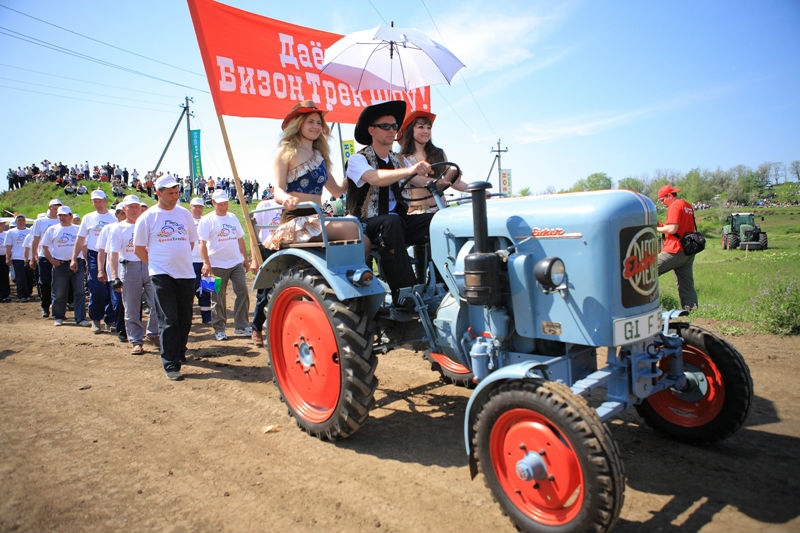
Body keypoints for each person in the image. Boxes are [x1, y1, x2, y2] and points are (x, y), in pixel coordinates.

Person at [345, 100, 436, 306]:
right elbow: (375, 178)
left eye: (394, 126)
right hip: (366, 224)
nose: (391, 130)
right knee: (391, 223)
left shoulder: (398, 160)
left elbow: (421, 181)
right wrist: (410, 170)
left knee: (436, 221)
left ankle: (439, 284)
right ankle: (405, 295)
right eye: (385, 126)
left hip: (397, 221)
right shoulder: (358, 160)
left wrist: (445, 182)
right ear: (371, 130)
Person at [264, 100, 360, 251]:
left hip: (318, 217)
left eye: (318, 123)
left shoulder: (319, 156)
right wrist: (286, 198)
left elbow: (337, 190)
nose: (316, 126)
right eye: (310, 122)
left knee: (364, 237)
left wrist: (357, 172)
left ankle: (360, 274)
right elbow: (278, 190)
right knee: (351, 228)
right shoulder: (286, 151)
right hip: (296, 219)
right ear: (299, 124)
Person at [133, 175, 198, 381]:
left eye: (176, 192)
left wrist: (179, 257)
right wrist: (155, 264)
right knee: (168, 318)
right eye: (170, 193)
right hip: (162, 274)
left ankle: (179, 351)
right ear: (158, 193)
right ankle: (170, 363)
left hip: (186, 273)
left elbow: (191, 242)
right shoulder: (148, 217)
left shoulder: (185, 215)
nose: (174, 197)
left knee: (185, 317)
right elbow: (138, 249)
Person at [198, 189, 250, 341]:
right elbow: (202, 243)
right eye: (220, 204)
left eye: (226, 203)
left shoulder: (233, 217)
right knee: (217, 298)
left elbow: (240, 238)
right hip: (216, 265)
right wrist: (206, 263)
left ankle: (241, 325)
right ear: (213, 203)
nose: (223, 206)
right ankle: (219, 328)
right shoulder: (207, 220)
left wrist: (244, 258)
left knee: (242, 291)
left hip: (235, 263)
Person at [110, 195, 158, 356]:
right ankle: (136, 341)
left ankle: (153, 333)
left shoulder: (148, 225)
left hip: (149, 265)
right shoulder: (118, 228)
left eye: (136, 206)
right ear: (124, 209)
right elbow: (114, 253)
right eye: (130, 207)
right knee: (131, 307)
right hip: (129, 267)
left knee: (157, 302)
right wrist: (114, 275)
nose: (134, 209)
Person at [397, 110, 468, 213]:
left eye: (429, 128)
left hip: (441, 210)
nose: (426, 131)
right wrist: (442, 182)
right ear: (410, 130)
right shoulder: (402, 159)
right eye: (421, 127)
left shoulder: (439, 153)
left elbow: (454, 182)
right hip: (416, 213)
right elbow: (420, 181)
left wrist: (477, 189)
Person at [72, 189, 116, 334]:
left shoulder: (114, 217)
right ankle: (96, 319)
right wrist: (74, 258)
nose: (97, 204)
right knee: (96, 287)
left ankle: (110, 319)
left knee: (112, 287)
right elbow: (80, 239)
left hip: (111, 254)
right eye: (94, 201)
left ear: (105, 201)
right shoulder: (88, 218)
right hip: (93, 254)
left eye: (100, 200)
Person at [41, 205, 90, 327]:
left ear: (71, 216)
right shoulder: (52, 229)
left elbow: (84, 246)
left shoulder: (78, 229)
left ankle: (80, 318)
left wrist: (86, 261)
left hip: (77, 263)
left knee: (79, 292)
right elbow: (44, 246)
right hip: (60, 264)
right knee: (59, 292)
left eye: (65, 215)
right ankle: (58, 316)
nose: (62, 217)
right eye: (60, 215)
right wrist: (51, 260)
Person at [656, 184, 699, 311]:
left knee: (646, 272)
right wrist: (662, 226)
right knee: (686, 284)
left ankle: (648, 307)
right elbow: (680, 228)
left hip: (674, 249)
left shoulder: (674, 206)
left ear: (669, 195)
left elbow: (672, 229)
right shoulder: (687, 205)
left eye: (662, 200)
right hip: (688, 250)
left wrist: (656, 228)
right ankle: (691, 310)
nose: (662, 203)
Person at [249, 189, 281, 347]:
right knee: (265, 293)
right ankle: (256, 328)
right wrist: (254, 259)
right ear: (273, 190)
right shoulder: (265, 205)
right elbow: (253, 234)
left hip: (286, 248)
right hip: (267, 250)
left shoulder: (292, 206)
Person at [97, 204, 128, 342]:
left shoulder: (136, 226)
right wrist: (100, 269)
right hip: (115, 271)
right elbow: (102, 251)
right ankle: (122, 329)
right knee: (118, 302)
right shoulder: (108, 229)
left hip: (133, 271)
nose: (124, 215)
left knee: (134, 303)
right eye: (121, 213)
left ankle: (132, 328)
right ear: (117, 215)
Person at [30, 198, 63, 318]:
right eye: (55, 208)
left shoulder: (62, 221)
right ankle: (45, 306)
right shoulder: (40, 222)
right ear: (49, 207)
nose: (57, 210)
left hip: (58, 256)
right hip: (44, 256)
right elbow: (35, 240)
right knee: (44, 283)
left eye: (59, 208)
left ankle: (57, 309)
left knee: (59, 284)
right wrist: (33, 257)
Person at [189, 197, 212, 324]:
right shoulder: (186, 221)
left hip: (206, 260)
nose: (198, 209)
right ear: (190, 207)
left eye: (200, 206)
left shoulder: (207, 221)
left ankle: (207, 318)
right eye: (195, 206)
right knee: (190, 290)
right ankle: (188, 316)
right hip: (190, 261)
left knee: (208, 290)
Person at [5, 214, 32, 302]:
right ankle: (21, 295)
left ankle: (28, 293)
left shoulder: (30, 231)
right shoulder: (11, 232)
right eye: (19, 220)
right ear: (16, 222)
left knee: (29, 276)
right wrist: (8, 257)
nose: (21, 222)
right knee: (20, 277)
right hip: (17, 257)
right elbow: (8, 245)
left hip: (29, 257)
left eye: (23, 220)